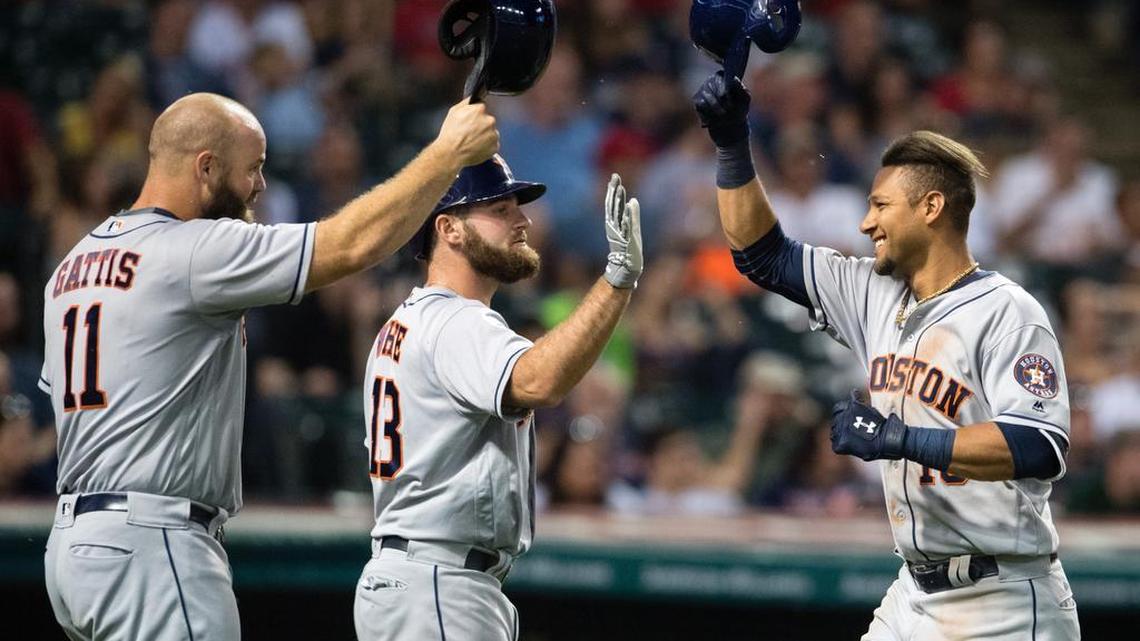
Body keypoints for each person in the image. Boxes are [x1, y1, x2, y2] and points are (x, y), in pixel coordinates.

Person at [39, 91, 498, 641]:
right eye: (252, 167)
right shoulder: (194, 250)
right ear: (206, 167)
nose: (260, 185)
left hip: (72, 549)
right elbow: (351, 245)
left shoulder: (71, 266)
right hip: (152, 544)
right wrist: (447, 153)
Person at [693, 72, 1079, 640]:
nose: (865, 222)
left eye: (880, 205)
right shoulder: (871, 289)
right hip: (912, 594)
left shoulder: (1007, 311)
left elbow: (1037, 446)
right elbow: (761, 256)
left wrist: (902, 439)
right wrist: (731, 143)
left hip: (1004, 599)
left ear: (931, 207)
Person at [353, 156, 643, 641]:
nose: (522, 220)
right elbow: (539, 382)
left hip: (420, 576)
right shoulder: (456, 321)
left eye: (517, 208)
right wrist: (617, 279)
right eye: (499, 209)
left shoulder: (407, 322)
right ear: (449, 228)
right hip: (440, 581)